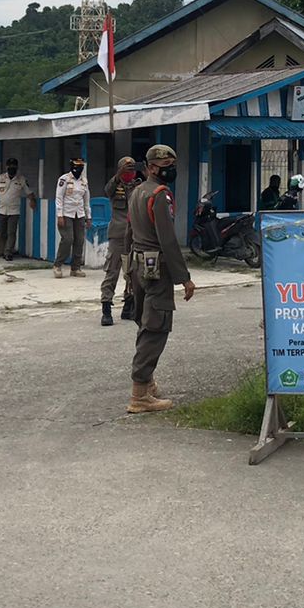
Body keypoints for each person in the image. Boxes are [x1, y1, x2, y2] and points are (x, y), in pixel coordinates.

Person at [126, 144, 195, 414]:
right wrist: (184, 278)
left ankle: (148, 383)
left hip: (137, 264)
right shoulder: (159, 194)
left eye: (172, 166)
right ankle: (140, 394)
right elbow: (167, 240)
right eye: (166, 167)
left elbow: (128, 233)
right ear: (152, 167)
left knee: (145, 324)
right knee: (156, 327)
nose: (171, 171)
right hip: (156, 267)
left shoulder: (137, 191)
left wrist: (126, 269)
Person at [101, 155, 140, 327]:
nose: (129, 170)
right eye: (126, 167)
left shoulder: (139, 186)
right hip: (118, 234)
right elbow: (107, 190)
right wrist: (118, 176)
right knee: (112, 271)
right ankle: (106, 308)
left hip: (135, 234)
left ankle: (129, 304)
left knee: (132, 272)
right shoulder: (114, 185)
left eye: (132, 167)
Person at [0, 158, 37, 262]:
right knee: (2, 232)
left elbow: (29, 192)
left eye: (14, 167)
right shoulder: (0, 178)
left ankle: (8, 252)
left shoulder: (21, 180)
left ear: (17, 167)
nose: (12, 168)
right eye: (10, 166)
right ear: (6, 167)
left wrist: (32, 200)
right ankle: (4, 249)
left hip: (14, 211)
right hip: (1, 210)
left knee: (11, 232)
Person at [53, 156, 91, 278]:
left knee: (79, 240)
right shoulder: (64, 179)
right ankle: (58, 265)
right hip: (66, 214)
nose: (78, 169)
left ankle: (76, 268)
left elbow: (86, 200)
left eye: (80, 167)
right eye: (76, 167)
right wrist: (59, 215)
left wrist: (88, 216)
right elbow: (59, 198)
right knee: (68, 239)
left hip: (79, 214)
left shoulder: (84, 181)